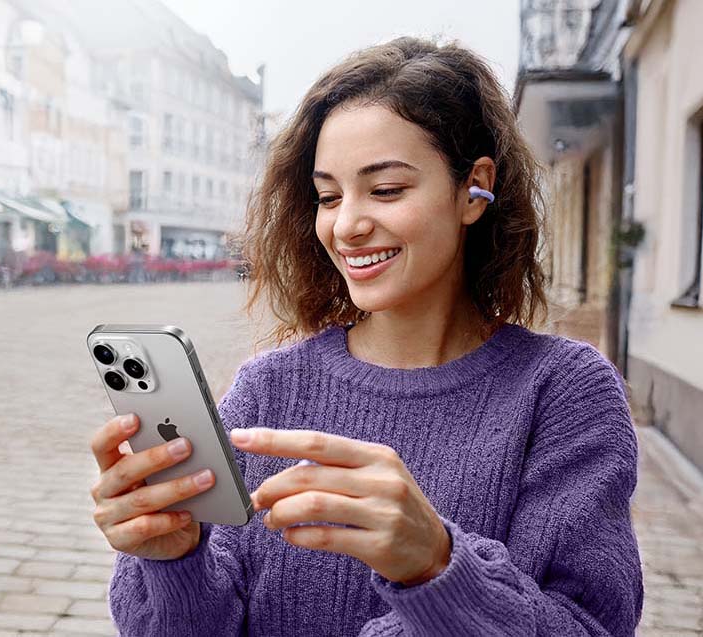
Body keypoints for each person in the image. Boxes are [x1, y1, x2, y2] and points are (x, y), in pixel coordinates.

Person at [88, 35, 643, 636]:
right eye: (328, 196)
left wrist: (436, 566)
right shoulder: (269, 389)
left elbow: (590, 626)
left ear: (473, 188)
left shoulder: (563, 394)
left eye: (386, 189)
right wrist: (175, 561)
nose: (347, 225)